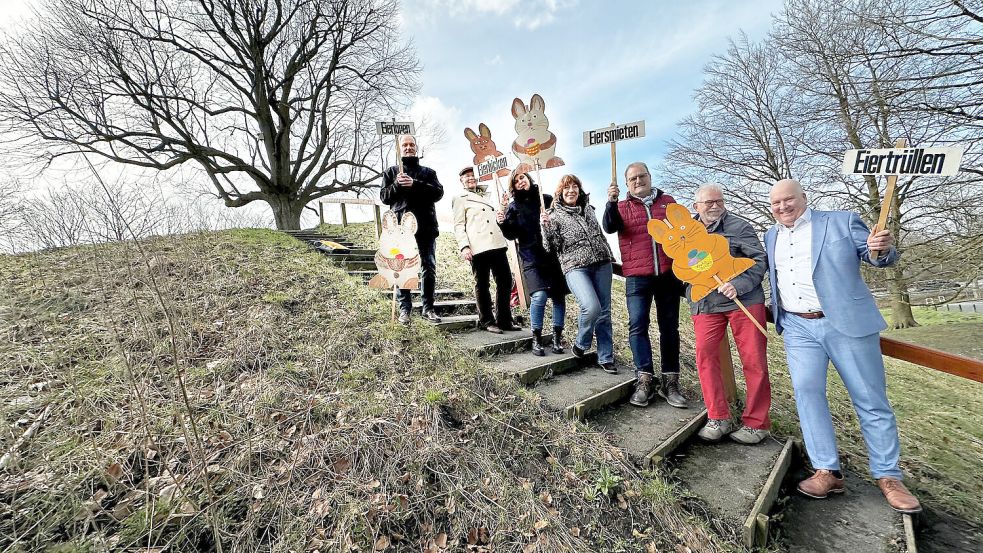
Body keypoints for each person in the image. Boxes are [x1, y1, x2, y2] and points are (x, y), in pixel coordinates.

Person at [765, 178, 920, 513]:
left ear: (804, 197)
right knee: (807, 394)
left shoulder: (841, 221)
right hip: (797, 326)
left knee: (869, 398)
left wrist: (881, 247)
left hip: (846, 323)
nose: (783, 207)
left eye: (788, 199)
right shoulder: (771, 235)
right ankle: (827, 470)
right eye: (776, 203)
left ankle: (888, 475)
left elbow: (877, 257)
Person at [686, 184, 771, 443]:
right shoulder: (687, 233)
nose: (715, 206)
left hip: (743, 301)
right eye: (709, 202)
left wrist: (739, 284)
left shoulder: (740, 227)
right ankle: (718, 417)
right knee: (706, 357)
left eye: (719, 201)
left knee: (754, 361)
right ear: (696, 206)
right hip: (706, 304)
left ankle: (757, 423)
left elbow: (759, 260)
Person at [602, 162, 686, 407]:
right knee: (637, 325)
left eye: (642, 176)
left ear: (649, 177)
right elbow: (609, 226)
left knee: (669, 328)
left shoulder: (668, 202)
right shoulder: (621, 206)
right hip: (637, 277)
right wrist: (610, 202)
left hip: (668, 274)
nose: (638, 181)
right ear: (627, 184)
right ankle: (644, 379)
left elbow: (684, 232)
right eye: (633, 179)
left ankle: (670, 382)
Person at [542, 174, 616, 373]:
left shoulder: (589, 209)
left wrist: (608, 254)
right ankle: (582, 342)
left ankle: (606, 356)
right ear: (560, 192)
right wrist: (546, 227)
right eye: (567, 187)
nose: (571, 190)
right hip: (575, 266)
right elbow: (551, 247)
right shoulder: (553, 215)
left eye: (574, 186)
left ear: (579, 189)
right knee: (591, 307)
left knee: (604, 312)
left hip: (602, 263)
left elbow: (600, 235)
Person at [498, 171, 567, 355]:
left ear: (529, 178)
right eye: (516, 181)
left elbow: (561, 223)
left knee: (558, 297)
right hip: (530, 256)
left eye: (522, 177)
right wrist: (503, 223)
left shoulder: (546, 199)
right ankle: (536, 338)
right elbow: (510, 234)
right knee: (539, 296)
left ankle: (557, 338)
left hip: (552, 255)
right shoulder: (513, 207)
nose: (520, 182)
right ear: (513, 186)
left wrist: (550, 221)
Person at [380, 135, 444, 325]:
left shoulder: (428, 172)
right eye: (405, 145)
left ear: (416, 148)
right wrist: (397, 185)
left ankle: (428, 308)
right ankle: (405, 309)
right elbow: (384, 197)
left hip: (426, 226)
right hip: (400, 228)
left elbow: (438, 192)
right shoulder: (391, 172)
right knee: (402, 266)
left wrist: (415, 184)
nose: (408, 147)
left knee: (428, 266)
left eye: (411, 144)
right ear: (399, 149)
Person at [453, 167, 518, 333]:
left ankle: (504, 320)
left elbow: (495, 217)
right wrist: (464, 246)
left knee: (505, 281)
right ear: (461, 181)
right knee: (482, 284)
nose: (470, 178)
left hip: (497, 244)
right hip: (478, 246)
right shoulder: (460, 198)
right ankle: (487, 320)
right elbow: (459, 225)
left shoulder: (487, 196)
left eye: (472, 175)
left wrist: (503, 205)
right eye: (466, 176)